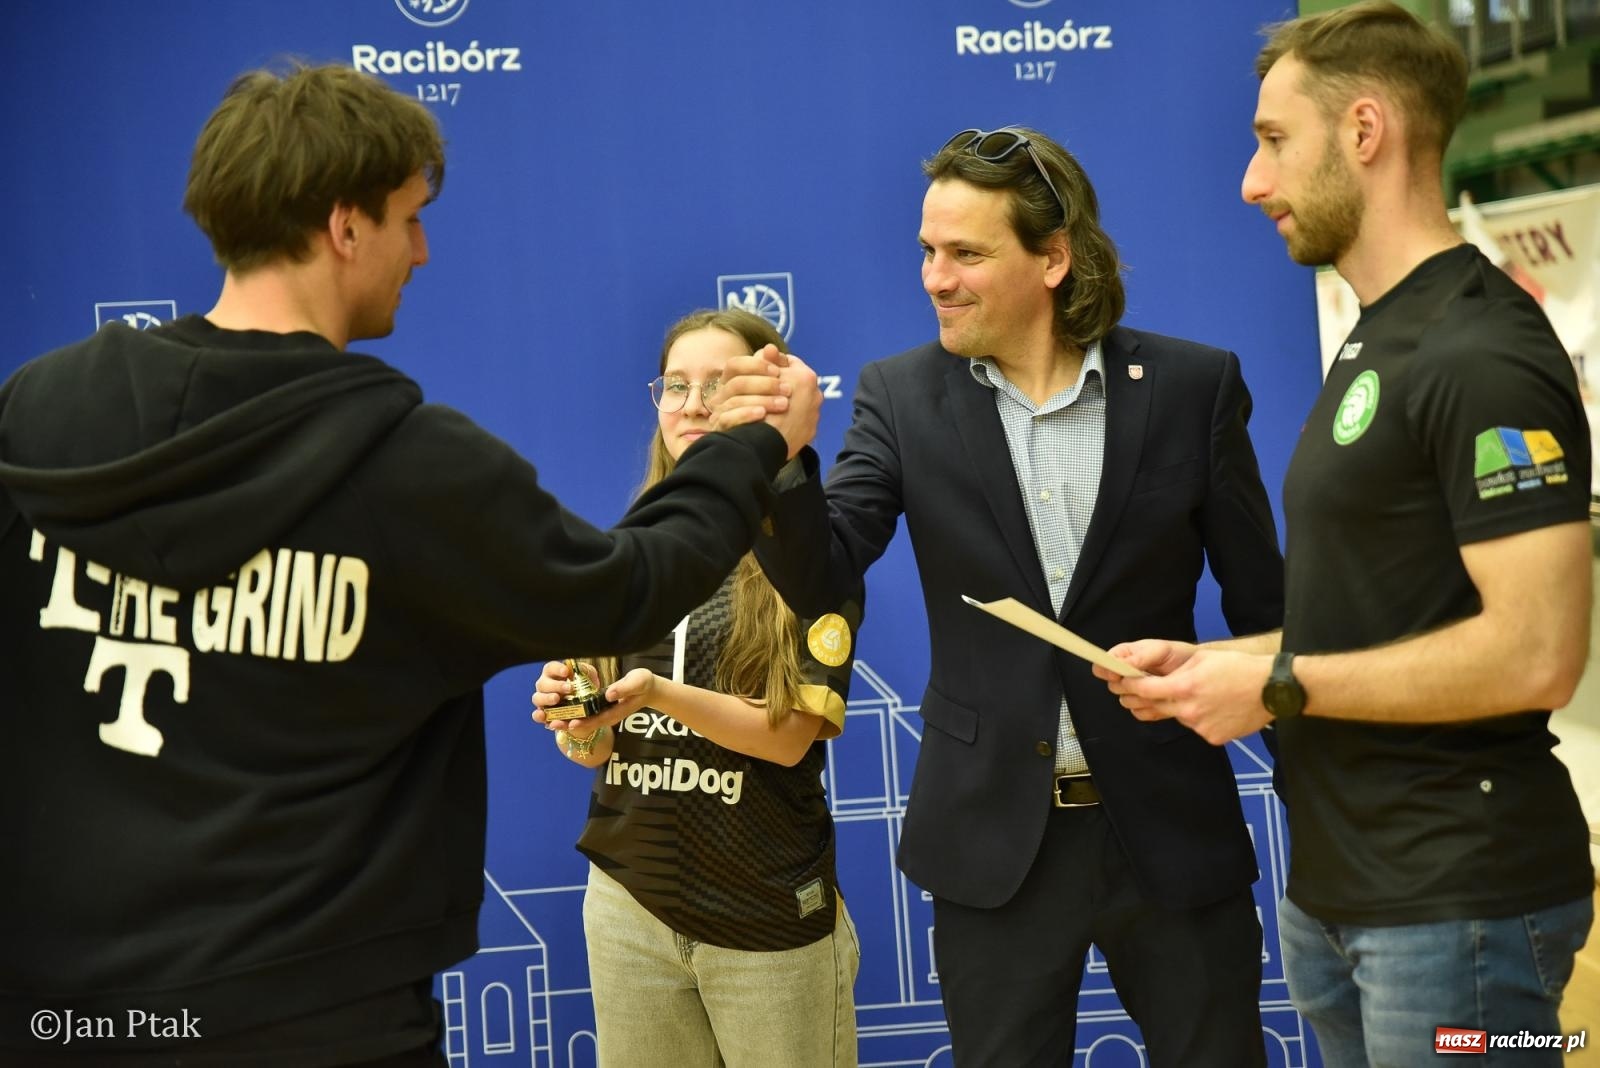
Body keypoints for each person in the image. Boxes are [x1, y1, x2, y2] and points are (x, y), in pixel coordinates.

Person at [0, 64, 820, 1067]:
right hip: (321, 1016)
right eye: (409, 218)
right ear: (346, 228)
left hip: (69, 1015)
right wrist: (753, 444)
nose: (422, 251)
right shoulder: (406, 465)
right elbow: (628, 587)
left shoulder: (42, 413)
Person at [718, 126, 1285, 1065]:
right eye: (928, 253)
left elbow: (1269, 609)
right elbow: (826, 571)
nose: (936, 277)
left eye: (967, 254)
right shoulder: (898, 396)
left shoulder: (1192, 386)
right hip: (992, 843)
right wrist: (782, 464)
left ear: (1054, 257)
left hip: (1171, 829)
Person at [1097, 4, 1594, 1065]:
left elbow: (1539, 653)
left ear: (1364, 131)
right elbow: (1376, 616)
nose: (1250, 181)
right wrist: (1217, 663)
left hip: (1464, 903)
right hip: (1345, 895)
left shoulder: (1479, 354)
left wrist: (1274, 689)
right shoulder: (1379, 336)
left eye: (1274, 140)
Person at [530, 307, 863, 1068]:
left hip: (765, 913)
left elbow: (786, 739)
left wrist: (654, 693)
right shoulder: (625, 548)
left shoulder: (810, 556)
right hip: (627, 907)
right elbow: (596, 751)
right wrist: (579, 715)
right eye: (675, 386)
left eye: (719, 384)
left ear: (766, 399)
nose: (692, 405)